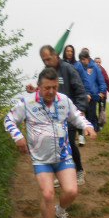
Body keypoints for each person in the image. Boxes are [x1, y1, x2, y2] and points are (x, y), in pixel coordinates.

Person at [5, 67, 96, 218]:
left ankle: (60, 211)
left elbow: (76, 116)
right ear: (39, 87)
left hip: (63, 155)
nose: (51, 92)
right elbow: (9, 119)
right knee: (48, 194)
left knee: (71, 191)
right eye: (47, 88)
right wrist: (18, 136)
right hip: (41, 159)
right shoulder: (27, 102)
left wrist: (87, 126)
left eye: (54, 87)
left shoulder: (64, 100)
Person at [27, 45, 89, 186]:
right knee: (56, 145)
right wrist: (34, 90)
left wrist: (80, 109)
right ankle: (63, 176)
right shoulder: (46, 72)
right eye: (44, 60)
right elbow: (43, 90)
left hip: (68, 113)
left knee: (69, 143)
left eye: (48, 59)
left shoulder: (68, 69)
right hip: (52, 117)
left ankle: (79, 171)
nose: (46, 62)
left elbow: (80, 90)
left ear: (56, 55)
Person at [77, 51, 107, 133]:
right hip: (83, 95)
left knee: (91, 114)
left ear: (88, 58)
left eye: (84, 59)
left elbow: (101, 81)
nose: (82, 61)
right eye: (81, 60)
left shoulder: (95, 67)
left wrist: (102, 92)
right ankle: (86, 132)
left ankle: (94, 131)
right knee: (83, 114)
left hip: (93, 95)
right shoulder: (79, 67)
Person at [94, 57, 109, 134]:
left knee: (102, 110)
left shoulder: (103, 70)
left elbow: (107, 81)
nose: (98, 63)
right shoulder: (91, 70)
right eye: (96, 62)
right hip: (94, 94)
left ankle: (100, 125)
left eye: (99, 62)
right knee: (92, 110)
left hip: (103, 94)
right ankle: (95, 124)